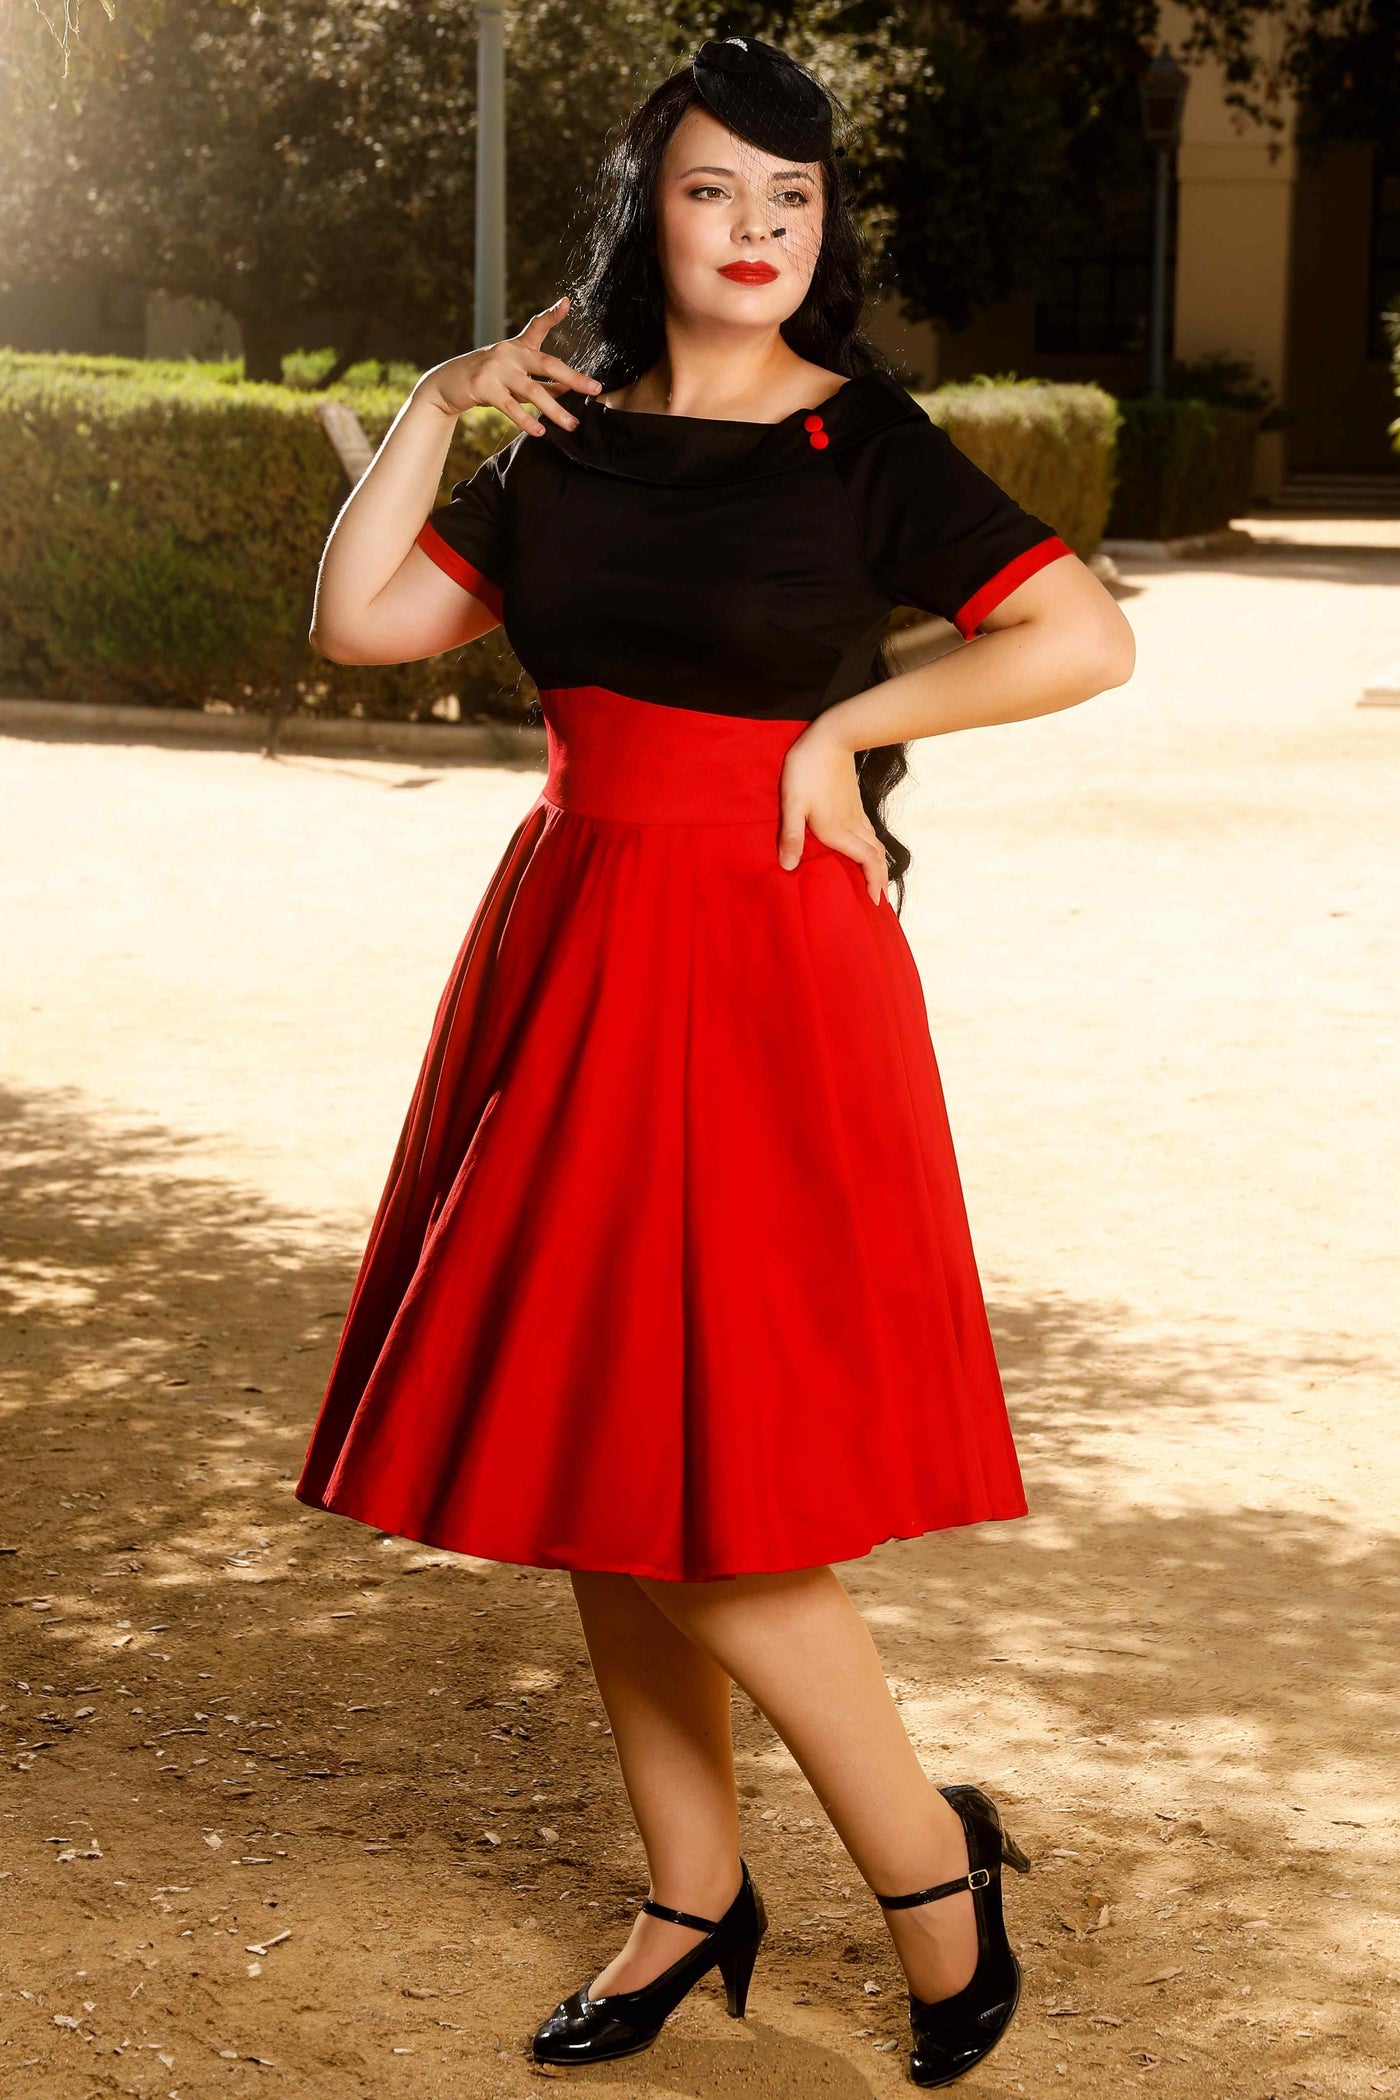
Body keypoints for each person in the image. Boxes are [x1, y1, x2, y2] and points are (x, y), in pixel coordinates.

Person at [293, 33, 1135, 2089]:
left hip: (762, 952)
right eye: (711, 192)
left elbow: (1083, 635)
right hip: (575, 939)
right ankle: (692, 1887)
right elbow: (364, 620)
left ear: (821, 226)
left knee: (732, 1502)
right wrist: (432, 403)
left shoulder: (867, 445)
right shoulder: (566, 444)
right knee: (598, 1448)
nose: (757, 231)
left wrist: (837, 735)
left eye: (793, 198)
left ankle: (931, 1869)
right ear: (642, 213)